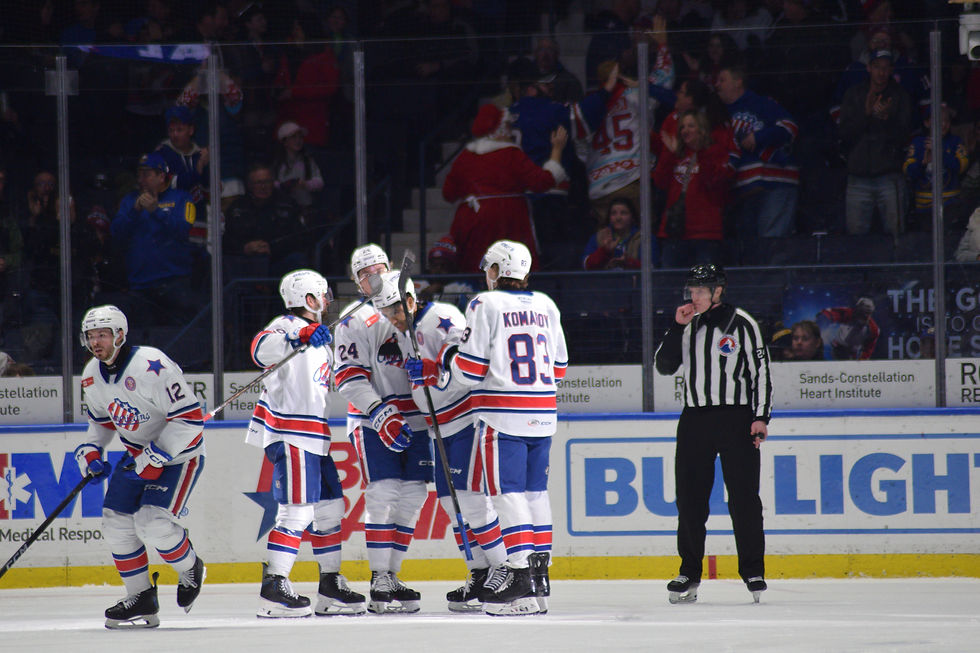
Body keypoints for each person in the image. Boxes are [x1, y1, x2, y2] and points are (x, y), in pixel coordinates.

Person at [437, 240, 568, 616]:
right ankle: (540, 574)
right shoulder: (547, 304)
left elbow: (472, 370)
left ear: (496, 271)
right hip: (543, 411)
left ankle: (519, 573)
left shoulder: (484, 303)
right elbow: (559, 369)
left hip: (502, 412)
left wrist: (448, 356)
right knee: (535, 492)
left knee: (506, 494)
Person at [372, 271, 508, 613]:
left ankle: (503, 568)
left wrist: (438, 372)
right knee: (452, 504)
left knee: (472, 500)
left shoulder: (441, 318)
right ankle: (480, 572)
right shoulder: (407, 326)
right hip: (438, 426)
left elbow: (467, 364)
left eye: (396, 312)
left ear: (411, 300)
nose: (393, 321)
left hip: (463, 419)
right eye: (387, 315)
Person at [74, 304, 207, 628]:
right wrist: (91, 451)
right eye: (91, 336)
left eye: (103, 334)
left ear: (119, 335)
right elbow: (102, 424)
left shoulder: (152, 364)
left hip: (179, 456)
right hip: (136, 456)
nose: (96, 342)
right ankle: (142, 597)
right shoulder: (92, 374)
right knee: (115, 523)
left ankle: (190, 566)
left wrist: (156, 455)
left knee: (152, 523)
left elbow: (190, 421)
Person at [246, 269, 365, 618]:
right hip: (290, 434)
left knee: (330, 508)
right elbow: (259, 348)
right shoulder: (285, 325)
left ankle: (330, 585)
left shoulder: (321, 340)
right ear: (309, 300)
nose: (327, 301)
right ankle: (274, 587)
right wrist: (300, 333)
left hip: (316, 437)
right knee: (297, 512)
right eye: (323, 295)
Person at [654, 264, 772, 604]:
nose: (696, 296)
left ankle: (753, 570)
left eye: (702, 291)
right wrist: (677, 326)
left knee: (744, 499)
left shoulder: (743, 323)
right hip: (694, 420)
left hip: (736, 419)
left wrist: (761, 417)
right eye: (692, 290)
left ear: (719, 291)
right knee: (690, 501)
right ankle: (688, 572)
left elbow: (760, 372)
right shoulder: (687, 322)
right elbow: (664, 366)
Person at [332, 244, 429, 614]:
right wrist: (379, 412)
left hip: (417, 418)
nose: (374, 278)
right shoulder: (354, 320)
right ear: (357, 282)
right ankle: (378, 577)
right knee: (383, 492)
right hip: (374, 419)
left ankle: (393, 573)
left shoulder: (411, 304)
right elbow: (348, 378)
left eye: (379, 269)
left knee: (413, 497)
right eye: (365, 274)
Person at [443, 103, 568, 273]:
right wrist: (557, 150)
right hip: (505, 221)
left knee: (474, 270)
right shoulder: (510, 154)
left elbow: (448, 193)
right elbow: (542, 182)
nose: (511, 131)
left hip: (469, 221)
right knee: (508, 270)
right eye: (508, 126)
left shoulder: (465, 156)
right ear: (499, 129)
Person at [111, 152, 199, 326]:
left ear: (161, 176)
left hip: (174, 282)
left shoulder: (182, 198)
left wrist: (156, 211)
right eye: (139, 174)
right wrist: (134, 211)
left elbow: (184, 231)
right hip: (140, 284)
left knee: (179, 335)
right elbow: (116, 233)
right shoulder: (129, 201)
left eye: (147, 174)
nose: (141, 179)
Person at [716, 61, 799, 239]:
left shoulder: (761, 104)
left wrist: (758, 137)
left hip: (776, 182)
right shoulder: (719, 115)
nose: (717, 85)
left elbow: (790, 127)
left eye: (722, 80)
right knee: (751, 249)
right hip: (744, 190)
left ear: (738, 81)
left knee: (771, 245)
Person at [838, 49, 911, 236]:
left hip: (890, 176)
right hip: (858, 177)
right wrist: (867, 114)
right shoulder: (853, 94)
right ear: (869, 68)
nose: (881, 73)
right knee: (855, 240)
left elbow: (905, 136)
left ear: (892, 69)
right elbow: (844, 134)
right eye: (877, 67)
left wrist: (886, 119)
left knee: (896, 237)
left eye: (886, 68)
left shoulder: (901, 95)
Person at [653, 109, 734, 268]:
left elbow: (714, 183)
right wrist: (670, 154)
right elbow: (660, 183)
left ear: (702, 129)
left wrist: (701, 152)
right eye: (682, 127)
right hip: (675, 233)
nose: (685, 130)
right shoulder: (676, 154)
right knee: (671, 287)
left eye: (691, 126)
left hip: (705, 233)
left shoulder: (716, 152)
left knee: (704, 288)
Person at [223, 163, 309, 278]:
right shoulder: (237, 208)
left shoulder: (287, 204)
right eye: (258, 182)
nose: (263, 187)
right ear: (249, 185)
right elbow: (227, 240)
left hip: (278, 261)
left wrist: (271, 247)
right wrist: (245, 247)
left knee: (298, 259)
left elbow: (299, 238)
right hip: (246, 263)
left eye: (267, 182)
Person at [903, 104, 969, 232]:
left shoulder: (956, 142)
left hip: (951, 206)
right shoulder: (918, 143)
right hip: (924, 208)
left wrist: (940, 152)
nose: (943, 124)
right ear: (927, 123)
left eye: (947, 121)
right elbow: (909, 172)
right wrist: (923, 163)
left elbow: (960, 168)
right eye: (938, 120)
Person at [273, 121, 324, 215]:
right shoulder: (276, 163)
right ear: (284, 142)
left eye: (300, 137)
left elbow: (320, 182)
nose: (298, 140)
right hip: (283, 209)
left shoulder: (308, 161)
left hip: (305, 209)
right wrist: (283, 186)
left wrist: (305, 184)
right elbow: (270, 183)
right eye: (293, 137)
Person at [581, 197, 643, 270]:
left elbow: (652, 268)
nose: (618, 218)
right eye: (614, 213)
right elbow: (586, 266)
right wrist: (605, 251)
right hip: (604, 281)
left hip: (635, 281)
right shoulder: (598, 237)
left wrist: (628, 263)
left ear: (632, 217)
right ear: (609, 217)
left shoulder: (644, 238)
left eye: (623, 213)